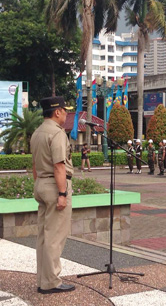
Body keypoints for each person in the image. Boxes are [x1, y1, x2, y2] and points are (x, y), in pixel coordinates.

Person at [30, 96, 76, 294]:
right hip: (55, 186)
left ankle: (43, 280)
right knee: (55, 238)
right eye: (65, 110)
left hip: (41, 183)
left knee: (43, 236)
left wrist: (39, 184)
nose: (66, 114)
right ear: (57, 112)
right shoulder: (57, 134)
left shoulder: (37, 132)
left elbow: (34, 164)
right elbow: (59, 165)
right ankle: (51, 282)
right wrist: (62, 193)